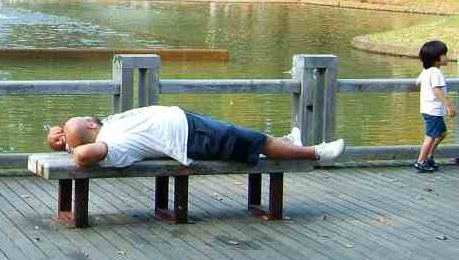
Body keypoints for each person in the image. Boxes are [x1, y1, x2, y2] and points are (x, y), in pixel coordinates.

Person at [46, 106, 346, 170]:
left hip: (189, 126)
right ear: (89, 125)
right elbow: (85, 157)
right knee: (256, 141)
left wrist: (64, 141)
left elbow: (81, 148)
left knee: (248, 136)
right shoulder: (113, 143)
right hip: (190, 139)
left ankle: (289, 144)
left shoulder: (111, 126)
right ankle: (315, 154)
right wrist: (73, 147)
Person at [415, 40, 452, 173]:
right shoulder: (436, 72)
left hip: (427, 109)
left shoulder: (427, 71)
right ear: (436, 59)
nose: (447, 57)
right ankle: (421, 161)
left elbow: (418, 82)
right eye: (444, 55)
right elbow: (437, 90)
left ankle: (429, 156)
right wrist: (449, 106)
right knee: (430, 136)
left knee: (442, 133)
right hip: (434, 110)